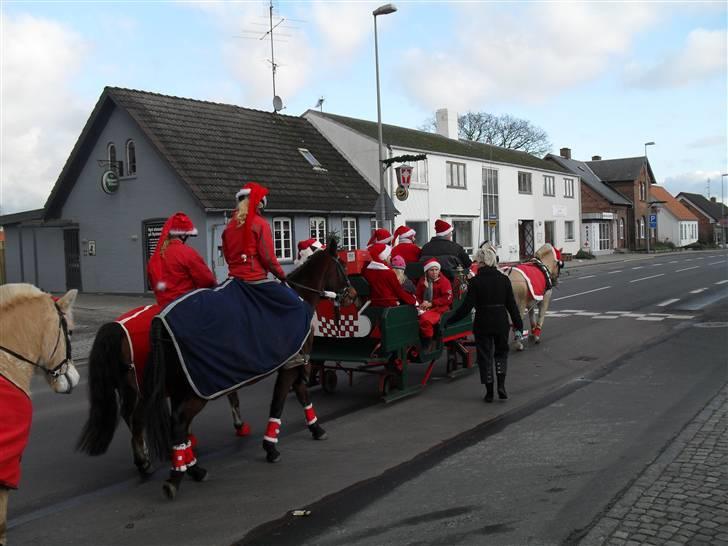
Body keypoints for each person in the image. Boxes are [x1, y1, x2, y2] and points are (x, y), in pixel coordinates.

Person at [446, 246, 523, 403]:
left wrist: (450, 320)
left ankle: (489, 392)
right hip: (501, 321)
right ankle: (501, 387)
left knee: (485, 356)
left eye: (477, 261)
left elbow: (466, 308)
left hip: (483, 323)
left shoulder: (475, 282)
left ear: (481, 262)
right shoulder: (504, 280)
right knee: (501, 353)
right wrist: (518, 325)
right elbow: (512, 306)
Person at [147, 212, 217, 307]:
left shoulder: (154, 257)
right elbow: (207, 281)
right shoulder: (187, 253)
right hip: (187, 307)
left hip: (163, 308)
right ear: (183, 235)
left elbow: (155, 285)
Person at [222, 182, 286, 282]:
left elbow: (227, 255)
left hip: (234, 278)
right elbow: (268, 258)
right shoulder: (261, 224)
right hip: (255, 278)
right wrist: (281, 275)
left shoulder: (229, 225)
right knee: (291, 297)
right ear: (258, 204)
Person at [415, 258, 453, 352]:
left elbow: (447, 298)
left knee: (425, 319)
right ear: (427, 271)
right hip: (424, 306)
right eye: (431, 270)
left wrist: (432, 303)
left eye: (436, 270)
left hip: (439, 308)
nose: (434, 272)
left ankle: (428, 341)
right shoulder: (423, 281)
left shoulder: (444, 281)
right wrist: (421, 304)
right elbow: (418, 295)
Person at [362, 243, 416, 307]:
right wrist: (413, 300)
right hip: (390, 305)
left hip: (373, 304)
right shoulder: (388, 272)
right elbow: (399, 292)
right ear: (384, 257)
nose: (390, 257)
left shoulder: (366, 271)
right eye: (389, 255)